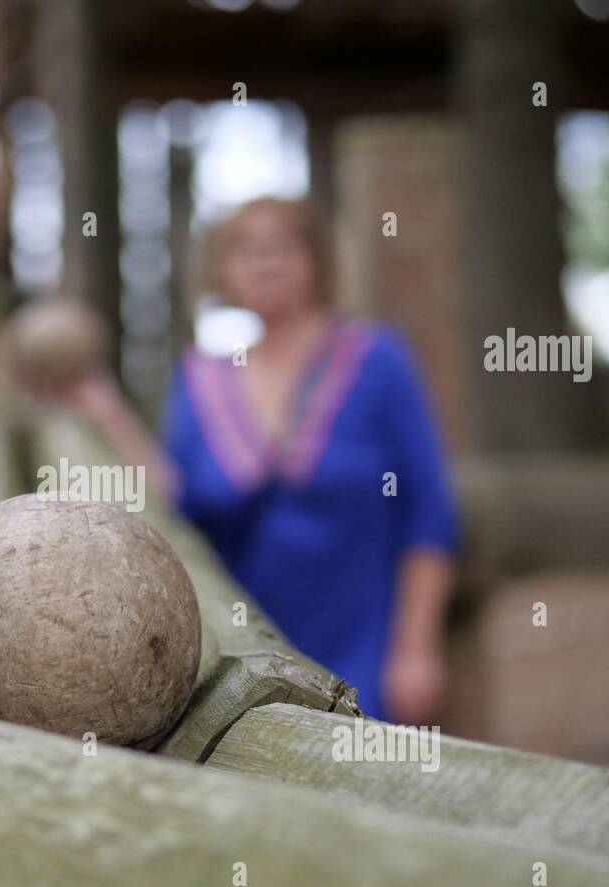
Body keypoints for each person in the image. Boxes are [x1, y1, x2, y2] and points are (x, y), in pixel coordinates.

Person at [70, 196, 459, 725]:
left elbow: (429, 516)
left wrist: (417, 649)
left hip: (366, 645)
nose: (265, 261)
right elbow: (176, 500)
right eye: (244, 248)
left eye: (283, 244)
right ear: (220, 271)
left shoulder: (376, 360)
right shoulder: (200, 378)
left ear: (316, 259)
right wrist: (108, 413)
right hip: (243, 661)